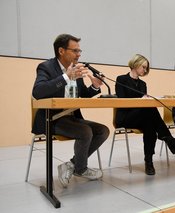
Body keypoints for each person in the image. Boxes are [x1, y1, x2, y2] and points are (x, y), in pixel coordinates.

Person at [32, 34, 110, 188]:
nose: (79, 54)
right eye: (75, 51)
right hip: (52, 119)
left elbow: (82, 96)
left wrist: (95, 86)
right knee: (85, 131)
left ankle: (70, 165)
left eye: (80, 51)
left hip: (71, 117)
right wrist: (65, 77)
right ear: (61, 50)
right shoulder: (46, 67)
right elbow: (38, 92)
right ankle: (81, 169)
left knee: (103, 130)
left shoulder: (76, 69)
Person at [115, 54, 175, 175]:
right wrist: (140, 100)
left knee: (150, 127)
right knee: (149, 109)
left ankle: (149, 161)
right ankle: (169, 139)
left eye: (146, 68)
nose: (145, 70)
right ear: (135, 64)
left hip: (141, 117)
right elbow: (122, 101)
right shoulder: (121, 79)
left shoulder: (143, 84)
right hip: (125, 117)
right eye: (143, 67)